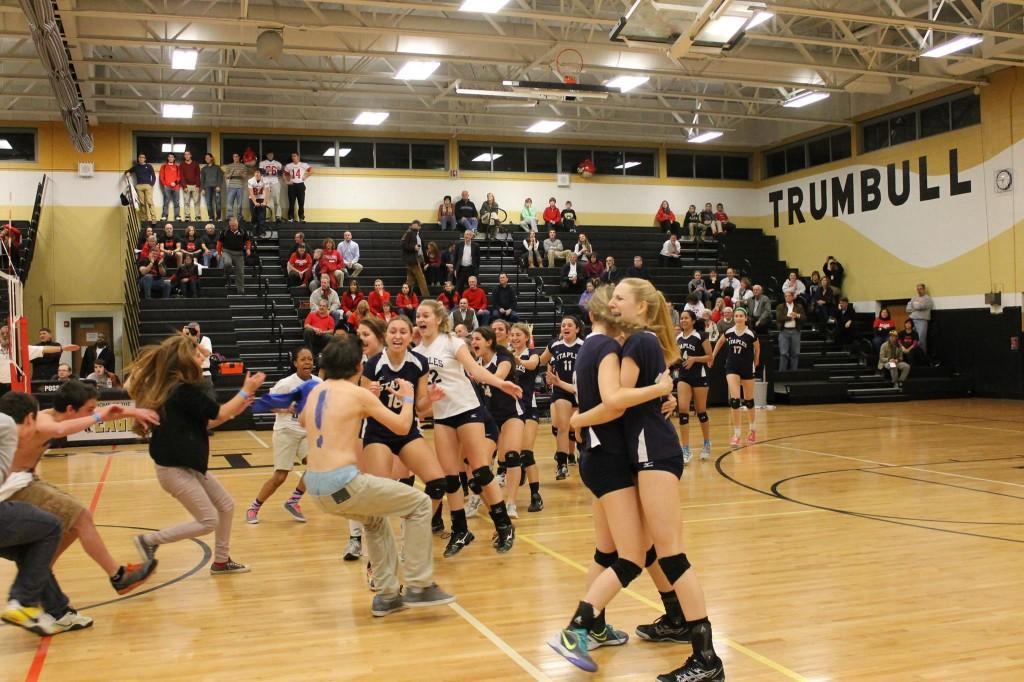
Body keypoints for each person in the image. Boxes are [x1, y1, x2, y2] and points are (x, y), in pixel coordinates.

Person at [559, 279, 724, 680]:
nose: (611, 302)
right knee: (649, 551)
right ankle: (675, 627)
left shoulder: (638, 342)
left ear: (642, 310)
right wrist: (660, 392)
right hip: (643, 450)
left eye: (619, 298)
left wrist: (578, 418)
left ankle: (706, 658)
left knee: (668, 553)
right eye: (610, 298)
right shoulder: (631, 344)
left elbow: (614, 401)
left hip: (653, 451)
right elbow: (629, 398)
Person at [301, 334, 456, 613]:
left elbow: (305, 420)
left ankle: (387, 596)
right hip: (342, 482)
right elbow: (401, 426)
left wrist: (360, 407)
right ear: (359, 367)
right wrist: (408, 399)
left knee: (374, 521)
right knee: (420, 504)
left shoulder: (315, 390)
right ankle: (419, 585)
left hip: (315, 487)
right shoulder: (356, 393)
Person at [0, 384, 160, 595]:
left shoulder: (64, 417)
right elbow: (59, 430)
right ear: (70, 410)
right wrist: (99, 416)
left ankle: (39, 572)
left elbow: (100, 416)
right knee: (81, 516)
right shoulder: (43, 419)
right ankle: (119, 576)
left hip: (28, 479)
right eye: (89, 409)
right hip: (14, 486)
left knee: (72, 526)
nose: (92, 414)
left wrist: (133, 412)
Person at [127, 336, 263, 576]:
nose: (202, 356)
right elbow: (218, 411)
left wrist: (238, 406)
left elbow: (211, 419)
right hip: (174, 468)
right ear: (184, 359)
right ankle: (149, 541)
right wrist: (244, 391)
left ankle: (221, 561)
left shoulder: (179, 388)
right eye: (197, 353)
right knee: (208, 520)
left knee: (226, 505)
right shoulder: (182, 390)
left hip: (187, 464)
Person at [414, 300, 522, 556]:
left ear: (438, 319)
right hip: (443, 415)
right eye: (418, 315)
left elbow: (475, 370)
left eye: (425, 315)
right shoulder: (416, 352)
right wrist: (430, 399)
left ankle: (504, 525)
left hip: (467, 409)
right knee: (450, 477)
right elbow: (420, 403)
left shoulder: (452, 342)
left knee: (481, 470)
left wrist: (500, 383)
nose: (420, 318)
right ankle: (461, 530)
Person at [358, 316, 453, 564]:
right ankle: (375, 561)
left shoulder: (418, 363)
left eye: (403, 332)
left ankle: (408, 541)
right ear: (385, 337)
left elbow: (420, 409)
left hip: (407, 431)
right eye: (393, 332)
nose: (398, 336)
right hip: (378, 432)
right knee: (378, 496)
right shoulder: (373, 365)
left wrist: (430, 398)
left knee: (437, 483)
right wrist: (369, 396)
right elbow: (361, 408)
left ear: (412, 336)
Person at [0, 405, 93, 636]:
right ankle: (22, 602)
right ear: (29, 419)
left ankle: (59, 612)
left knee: (28, 550)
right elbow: (57, 428)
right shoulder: (6, 425)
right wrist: (102, 414)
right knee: (51, 526)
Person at [246, 347, 319, 524]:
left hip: (306, 433)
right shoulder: (286, 383)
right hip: (286, 431)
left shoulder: (318, 382)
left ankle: (293, 501)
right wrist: (286, 409)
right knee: (280, 476)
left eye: (310, 359)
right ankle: (254, 507)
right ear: (295, 363)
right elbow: (267, 405)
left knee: (317, 467)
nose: (307, 362)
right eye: (303, 359)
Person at [471, 327, 527, 517]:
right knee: (480, 463)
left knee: (512, 456)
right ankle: (477, 498)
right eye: (472, 339)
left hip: (511, 413)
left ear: (489, 342)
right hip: (487, 417)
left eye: (477, 339)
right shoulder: (473, 363)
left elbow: (498, 378)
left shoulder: (503, 359)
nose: (473, 342)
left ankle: (510, 502)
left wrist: (478, 376)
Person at [538, 316, 582, 479]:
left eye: (569, 325)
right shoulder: (554, 345)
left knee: (576, 427)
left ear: (577, 329)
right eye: (563, 325)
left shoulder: (583, 346)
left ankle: (578, 454)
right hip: (560, 390)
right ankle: (562, 465)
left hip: (579, 390)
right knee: (562, 426)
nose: (565, 327)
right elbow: (541, 361)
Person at [712, 306, 760, 446]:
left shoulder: (751, 334)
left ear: (745, 318)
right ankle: (737, 433)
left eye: (741, 316)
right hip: (731, 367)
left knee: (749, 401)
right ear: (734, 318)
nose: (738, 318)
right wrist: (713, 356)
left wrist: (756, 360)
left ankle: (752, 429)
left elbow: (757, 347)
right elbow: (720, 342)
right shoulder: (729, 332)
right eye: (736, 316)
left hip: (747, 368)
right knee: (735, 400)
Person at [676, 309, 713, 462]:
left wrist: (694, 359)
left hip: (699, 376)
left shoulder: (701, 336)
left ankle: (706, 443)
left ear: (692, 321)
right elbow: (677, 357)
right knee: (683, 411)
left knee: (701, 411)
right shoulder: (678, 337)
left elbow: (710, 357)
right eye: (681, 318)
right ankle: (685, 449)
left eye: (686, 318)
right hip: (684, 377)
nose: (683, 320)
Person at [217, 217, 251, 295]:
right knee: (227, 263)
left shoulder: (242, 231)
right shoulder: (225, 231)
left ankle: (240, 290)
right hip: (227, 251)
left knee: (240, 272)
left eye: (235, 225)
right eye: (232, 225)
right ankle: (227, 274)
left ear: (237, 224)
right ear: (229, 225)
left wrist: (248, 249)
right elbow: (219, 242)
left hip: (239, 254)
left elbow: (247, 241)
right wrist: (219, 253)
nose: (234, 227)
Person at [401, 220, 430, 298]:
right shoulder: (409, 233)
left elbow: (422, 248)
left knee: (410, 281)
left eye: (420, 225)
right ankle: (426, 297)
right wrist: (413, 247)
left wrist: (426, 260)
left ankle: (406, 297)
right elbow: (403, 244)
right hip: (413, 259)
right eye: (418, 225)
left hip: (417, 259)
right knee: (421, 279)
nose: (420, 226)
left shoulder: (418, 234)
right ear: (414, 225)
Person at [127, 153, 157, 223]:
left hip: (148, 186)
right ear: (138, 158)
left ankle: (153, 218)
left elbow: (154, 176)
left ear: (145, 159)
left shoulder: (149, 166)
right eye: (140, 157)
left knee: (150, 202)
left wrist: (151, 185)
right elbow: (128, 171)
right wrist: (127, 173)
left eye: (143, 157)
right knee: (142, 203)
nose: (141, 158)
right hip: (139, 186)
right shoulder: (136, 166)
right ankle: (144, 218)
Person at [284, 152, 312, 222]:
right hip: (292, 185)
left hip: (300, 185)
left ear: (298, 157)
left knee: (301, 202)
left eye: (294, 156)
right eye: (292, 156)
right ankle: (291, 218)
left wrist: (306, 176)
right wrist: (287, 182)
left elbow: (311, 170)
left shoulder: (303, 165)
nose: (293, 157)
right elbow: (284, 174)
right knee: (291, 203)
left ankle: (301, 217)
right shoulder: (289, 166)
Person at [907, 283, 933, 354]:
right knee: (911, 338)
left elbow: (921, 306)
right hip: (912, 320)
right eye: (918, 289)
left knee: (921, 339)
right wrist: (916, 305)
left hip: (922, 321)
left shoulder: (927, 298)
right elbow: (908, 308)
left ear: (924, 289)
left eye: (920, 289)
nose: (919, 290)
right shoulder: (914, 297)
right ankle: (913, 355)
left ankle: (923, 356)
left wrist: (914, 306)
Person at [259, 151, 284, 222]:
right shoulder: (262, 163)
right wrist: (271, 172)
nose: (270, 155)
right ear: (267, 155)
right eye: (269, 154)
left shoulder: (277, 163)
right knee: (267, 201)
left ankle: (278, 216)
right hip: (266, 183)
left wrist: (272, 172)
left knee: (277, 200)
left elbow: (281, 172)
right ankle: (268, 217)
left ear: (273, 155)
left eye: (271, 154)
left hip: (275, 183)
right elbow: (261, 172)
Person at [223, 152, 248, 220]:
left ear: (239, 157)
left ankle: (240, 217)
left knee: (240, 205)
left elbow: (245, 176)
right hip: (231, 187)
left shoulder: (243, 166)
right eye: (234, 156)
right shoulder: (229, 166)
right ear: (233, 157)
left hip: (240, 187)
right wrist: (231, 173)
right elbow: (226, 176)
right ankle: (229, 217)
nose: (235, 158)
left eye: (237, 156)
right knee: (229, 204)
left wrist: (240, 174)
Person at [179, 150, 201, 222]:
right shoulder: (182, 165)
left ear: (190, 155)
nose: (187, 156)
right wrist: (184, 186)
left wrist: (198, 185)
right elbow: (181, 176)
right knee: (186, 202)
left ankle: (197, 216)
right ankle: (187, 216)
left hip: (195, 186)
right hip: (186, 186)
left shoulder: (195, 164)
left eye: (188, 154)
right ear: (184, 156)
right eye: (185, 155)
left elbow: (198, 175)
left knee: (196, 201)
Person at [200, 153, 224, 222]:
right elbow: (202, 180)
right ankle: (211, 217)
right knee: (208, 203)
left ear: (211, 158)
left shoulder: (217, 167)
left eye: (208, 157)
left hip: (216, 187)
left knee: (218, 203)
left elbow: (220, 177)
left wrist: (219, 186)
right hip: (207, 187)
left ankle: (219, 217)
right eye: (205, 158)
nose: (207, 159)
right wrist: (202, 189)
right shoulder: (204, 169)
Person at [158, 153, 181, 221]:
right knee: (166, 201)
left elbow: (179, 176)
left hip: (176, 187)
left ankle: (177, 216)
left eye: (172, 157)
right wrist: (165, 184)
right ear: (168, 158)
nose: (171, 158)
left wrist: (175, 183)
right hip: (166, 187)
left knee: (176, 202)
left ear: (174, 158)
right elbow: (161, 177)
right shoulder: (164, 166)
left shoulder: (177, 167)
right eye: (169, 157)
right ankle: (164, 216)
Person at [246, 167, 269, 235]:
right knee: (254, 215)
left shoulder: (265, 180)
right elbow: (251, 192)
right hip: (253, 199)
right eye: (256, 172)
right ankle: (254, 231)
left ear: (261, 174)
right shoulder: (250, 181)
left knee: (262, 216)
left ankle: (262, 231)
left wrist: (264, 202)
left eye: (258, 172)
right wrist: (255, 202)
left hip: (262, 198)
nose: (257, 174)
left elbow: (267, 192)